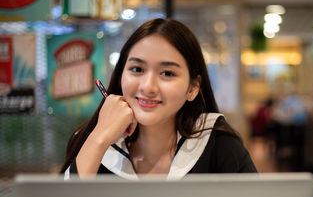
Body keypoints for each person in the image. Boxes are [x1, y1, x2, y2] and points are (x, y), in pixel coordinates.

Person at [61, 18, 257, 179]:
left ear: (193, 87)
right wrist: (99, 138)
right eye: (137, 69)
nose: (148, 87)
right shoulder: (92, 140)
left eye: (167, 73)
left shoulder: (219, 144)